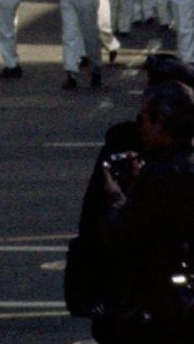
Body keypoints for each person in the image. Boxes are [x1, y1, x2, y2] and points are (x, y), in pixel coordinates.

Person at [92, 80, 194, 338]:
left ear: (161, 121)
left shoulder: (159, 177)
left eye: (143, 120)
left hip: (162, 304)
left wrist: (115, 195)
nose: (141, 130)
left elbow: (124, 232)